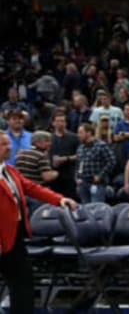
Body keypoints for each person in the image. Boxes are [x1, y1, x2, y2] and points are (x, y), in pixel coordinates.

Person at [0, 131, 77, 314]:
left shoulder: (9, 170)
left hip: (14, 235)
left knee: (23, 281)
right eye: (3, 144)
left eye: (8, 143)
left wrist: (59, 199)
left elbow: (32, 187)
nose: (8, 147)